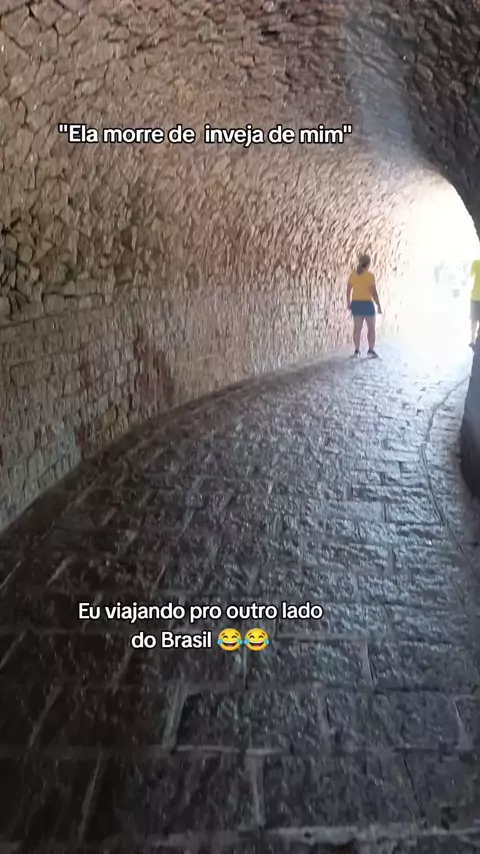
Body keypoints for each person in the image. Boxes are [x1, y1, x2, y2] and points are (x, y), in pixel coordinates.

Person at [346, 253, 382, 358]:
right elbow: (373, 292)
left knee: (357, 328)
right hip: (367, 305)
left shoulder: (353, 275)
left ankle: (357, 350)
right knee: (371, 328)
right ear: (368, 264)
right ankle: (371, 349)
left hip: (356, 304)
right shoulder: (370, 276)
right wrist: (378, 305)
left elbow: (348, 290)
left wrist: (348, 303)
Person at [469, 258, 480, 350]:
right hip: (475, 297)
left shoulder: (476, 263)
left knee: (474, 320)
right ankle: (478, 341)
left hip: (475, 296)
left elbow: (470, 276)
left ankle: (473, 341)